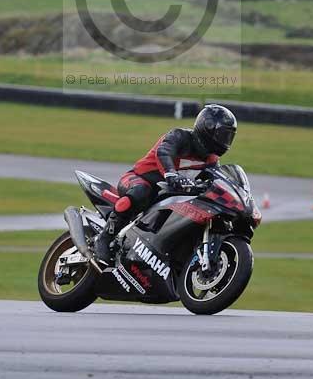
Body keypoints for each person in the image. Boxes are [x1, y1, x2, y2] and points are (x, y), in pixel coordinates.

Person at [94, 103, 237, 265]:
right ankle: (105, 237)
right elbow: (164, 152)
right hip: (138, 179)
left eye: (229, 136)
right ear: (208, 128)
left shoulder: (212, 160)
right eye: (223, 135)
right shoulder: (180, 136)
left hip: (169, 195)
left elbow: (214, 181)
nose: (225, 141)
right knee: (141, 191)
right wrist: (171, 174)